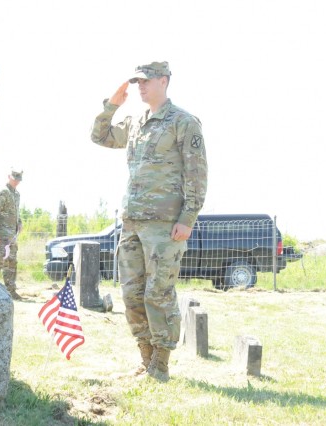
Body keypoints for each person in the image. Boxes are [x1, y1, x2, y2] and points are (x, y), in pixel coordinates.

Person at [90, 61, 208, 381]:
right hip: (132, 223)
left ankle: (161, 365)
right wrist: (112, 106)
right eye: (136, 81)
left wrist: (188, 217)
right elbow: (99, 136)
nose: (140, 86)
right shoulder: (134, 122)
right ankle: (145, 358)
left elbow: (197, 175)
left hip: (165, 224)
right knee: (132, 295)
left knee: (158, 294)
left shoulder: (183, 123)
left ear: (164, 81)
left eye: (145, 81)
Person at [0, 168, 24, 300]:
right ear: (9, 177)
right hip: (1, 235)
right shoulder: (2, 191)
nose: (16, 182)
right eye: (15, 179)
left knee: (11, 264)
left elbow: (15, 212)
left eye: (18, 179)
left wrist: (19, 222)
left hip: (11, 236)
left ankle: (11, 291)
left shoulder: (16, 194)